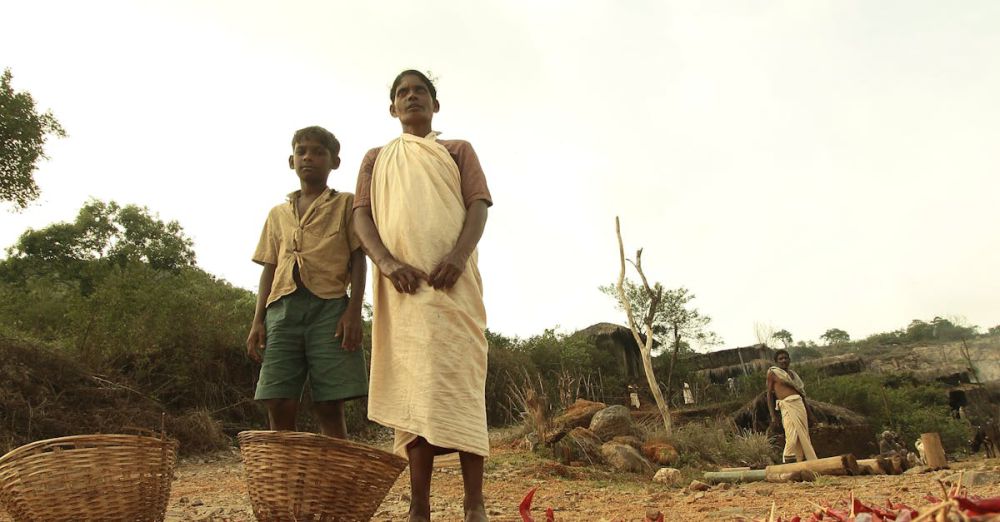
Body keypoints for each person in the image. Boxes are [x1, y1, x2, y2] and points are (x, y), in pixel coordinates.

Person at [353, 70, 492, 522]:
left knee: (462, 385)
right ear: (392, 109)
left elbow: (478, 206)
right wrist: (389, 265)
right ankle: (420, 507)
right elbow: (362, 220)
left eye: (420, 91)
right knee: (413, 391)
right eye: (402, 93)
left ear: (435, 105)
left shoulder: (457, 150)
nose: (411, 97)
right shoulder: (376, 158)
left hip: (455, 285)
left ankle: (474, 505)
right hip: (403, 290)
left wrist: (457, 256)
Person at [246, 126, 368, 438]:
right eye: (301, 152)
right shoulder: (278, 214)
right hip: (282, 310)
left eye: (318, 152)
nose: (308, 158)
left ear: (334, 162)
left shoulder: (345, 205)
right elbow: (270, 268)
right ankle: (285, 477)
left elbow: (358, 258)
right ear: (291, 160)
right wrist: (258, 320)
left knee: (329, 403)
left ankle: (334, 481)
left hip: (329, 308)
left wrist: (353, 312)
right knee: (278, 398)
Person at [767, 349, 818, 463]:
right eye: (780, 359)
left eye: (785, 358)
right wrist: (773, 415)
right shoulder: (773, 373)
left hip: (799, 405)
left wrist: (811, 415)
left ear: (789, 360)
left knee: (803, 436)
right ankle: (788, 464)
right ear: (776, 362)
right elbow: (769, 394)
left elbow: (802, 395)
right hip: (787, 405)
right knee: (791, 436)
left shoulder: (794, 375)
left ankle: (800, 463)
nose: (783, 360)